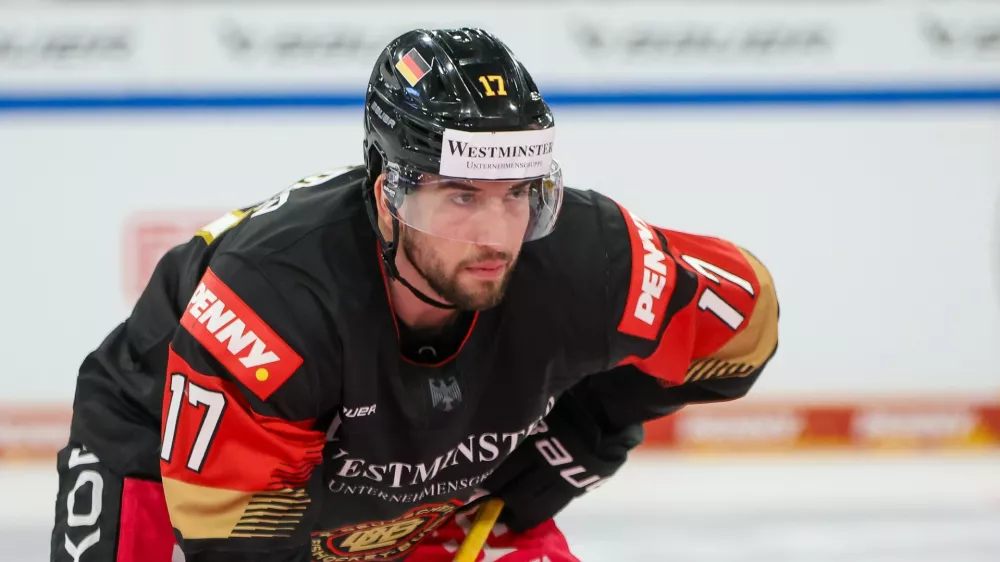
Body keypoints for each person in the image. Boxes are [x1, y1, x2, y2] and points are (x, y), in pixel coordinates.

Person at [50, 27, 780, 562]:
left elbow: (742, 321)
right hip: (172, 445)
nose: (497, 235)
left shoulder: (582, 254)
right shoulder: (278, 298)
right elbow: (230, 533)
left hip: (424, 476)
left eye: (521, 194)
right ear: (387, 194)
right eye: (460, 197)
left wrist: (580, 440)